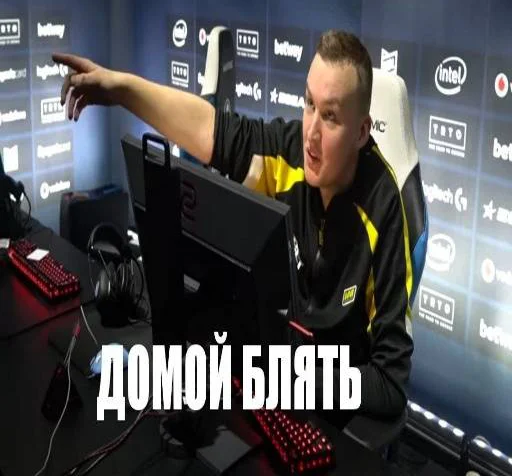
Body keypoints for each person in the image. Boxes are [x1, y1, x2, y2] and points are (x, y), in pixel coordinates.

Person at [53, 30, 413, 424]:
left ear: (361, 131)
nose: (311, 133)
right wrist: (119, 88)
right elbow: (212, 130)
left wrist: (300, 379)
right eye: (309, 104)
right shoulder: (291, 152)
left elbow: (390, 385)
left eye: (330, 117)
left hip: (326, 406)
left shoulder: (384, 207)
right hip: (273, 374)